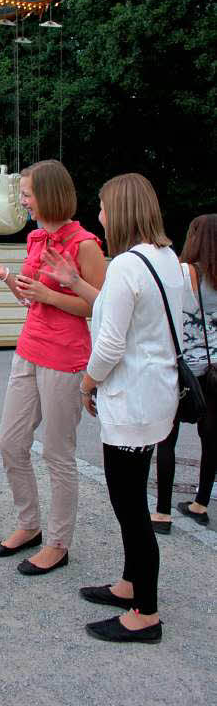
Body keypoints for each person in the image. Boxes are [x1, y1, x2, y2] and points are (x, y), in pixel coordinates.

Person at [43, 173, 182, 644]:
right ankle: (130, 583)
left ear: (119, 211)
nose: (98, 214)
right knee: (132, 501)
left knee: (130, 507)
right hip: (155, 395)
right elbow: (118, 310)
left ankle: (146, 612)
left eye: (102, 206)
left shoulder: (126, 265)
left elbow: (108, 343)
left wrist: (86, 383)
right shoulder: (165, 259)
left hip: (130, 398)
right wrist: (76, 282)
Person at [0, 159, 107, 575]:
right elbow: (30, 297)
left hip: (66, 357)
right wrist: (7, 277)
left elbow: (97, 308)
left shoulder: (85, 244)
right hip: (29, 349)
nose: (23, 200)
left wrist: (49, 296)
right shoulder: (35, 239)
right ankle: (28, 525)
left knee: (57, 453)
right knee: (10, 443)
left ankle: (58, 543)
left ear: (48, 194)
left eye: (27, 193)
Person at [151, 214, 217, 532]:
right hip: (216, 371)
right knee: (212, 439)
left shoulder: (182, 272)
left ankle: (162, 514)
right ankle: (200, 504)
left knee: (167, 439)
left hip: (183, 368)